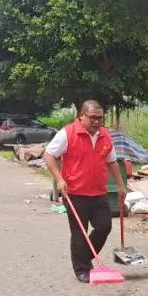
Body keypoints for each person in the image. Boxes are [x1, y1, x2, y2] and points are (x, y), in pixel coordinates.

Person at [42, 100, 127, 283]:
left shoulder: (105, 135)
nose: (97, 122)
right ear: (82, 116)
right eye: (93, 118)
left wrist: (121, 185)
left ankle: (84, 256)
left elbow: (112, 161)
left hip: (99, 193)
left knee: (104, 227)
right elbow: (48, 154)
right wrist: (59, 179)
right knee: (79, 233)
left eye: (100, 118)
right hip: (75, 193)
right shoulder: (67, 133)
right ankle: (82, 269)